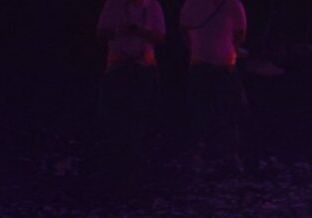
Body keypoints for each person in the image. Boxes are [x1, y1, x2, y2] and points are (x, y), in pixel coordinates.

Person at [180, 0, 248, 169]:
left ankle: (228, 153)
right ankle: (202, 151)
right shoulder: (192, 4)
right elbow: (184, 31)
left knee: (228, 109)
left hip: (224, 65)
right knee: (200, 109)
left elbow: (240, 34)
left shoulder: (233, 5)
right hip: (202, 64)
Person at [96, 0, 166, 163]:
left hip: (144, 66)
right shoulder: (113, 5)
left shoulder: (153, 6)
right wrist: (120, 31)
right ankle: (119, 151)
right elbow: (100, 33)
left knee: (143, 110)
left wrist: (141, 32)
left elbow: (160, 37)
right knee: (117, 111)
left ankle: (138, 151)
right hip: (118, 65)